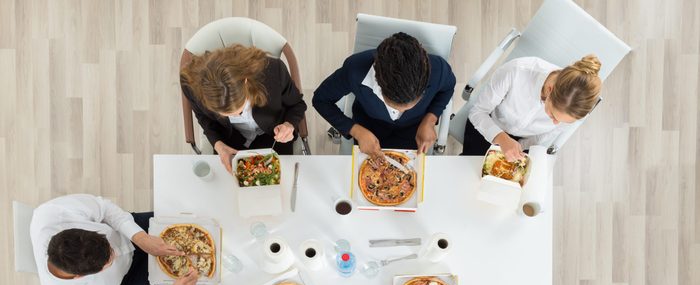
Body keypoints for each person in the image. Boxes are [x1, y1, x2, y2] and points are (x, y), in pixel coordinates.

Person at [30, 194, 199, 285]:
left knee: (198, 220)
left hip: (128, 231)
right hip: (130, 277)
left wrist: (141, 238)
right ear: (79, 276)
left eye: (109, 246)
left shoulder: (53, 213)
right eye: (109, 261)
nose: (116, 252)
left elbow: (105, 208)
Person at [312, 32, 456, 161]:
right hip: (369, 128)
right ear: (379, 81)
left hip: (415, 130)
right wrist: (356, 131)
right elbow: (321, 100)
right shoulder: (354, 70)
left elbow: (448, 88)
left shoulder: (439, 69)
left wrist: (430, 119)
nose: (400, 112)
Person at [180, 45, 308, 173]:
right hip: (229, 141)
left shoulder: (274, 71)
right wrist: (219, 145)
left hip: (273, 137)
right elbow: (204, 118)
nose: (236, 117)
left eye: (239, 111)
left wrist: (289, 125)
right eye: (226, 115)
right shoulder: (192, 86)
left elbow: (297, 104)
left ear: (246, 82)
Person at [461, 54, 603, 160]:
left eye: (562, 122)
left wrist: (519, 147)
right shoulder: (516, 72)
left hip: (523, 142)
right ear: (549, 89)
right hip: (488, 124)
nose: (555, 124)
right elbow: (478, 112)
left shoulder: (574, 110)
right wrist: (501, 139)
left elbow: (542, 137)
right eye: (553, 115)